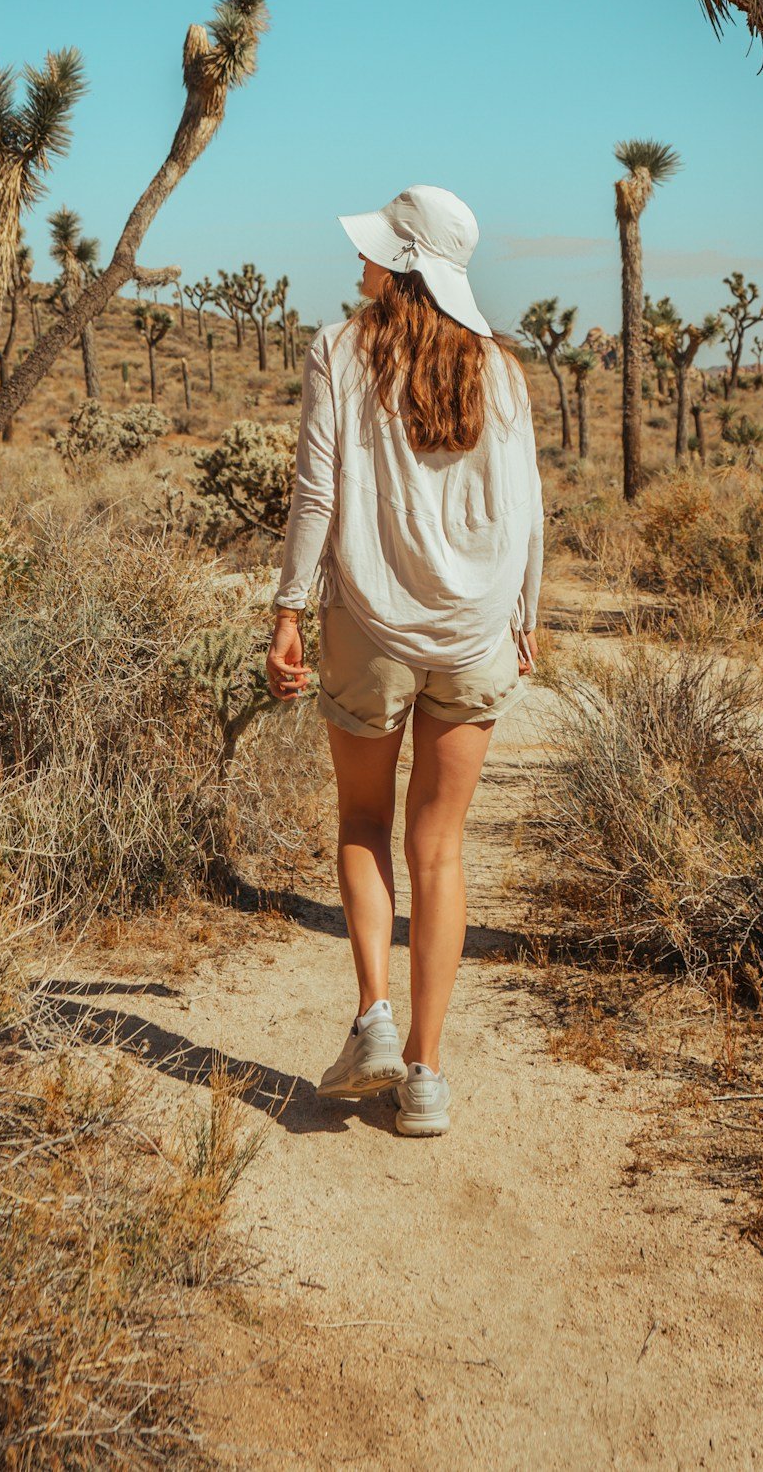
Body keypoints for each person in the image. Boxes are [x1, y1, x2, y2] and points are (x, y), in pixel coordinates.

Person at [267, 186, 543, 1139]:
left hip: (370, 625)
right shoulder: (499, 370)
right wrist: (525, 615)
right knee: (441, 846)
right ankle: (425, 1075)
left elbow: (315, 491)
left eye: (378, 251)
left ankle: (373, 1020)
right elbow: (529, 507)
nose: (361, 265)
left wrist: (288, 607)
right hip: (473, 632)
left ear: (408, 265)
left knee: (361, 821)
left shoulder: (339, 350)